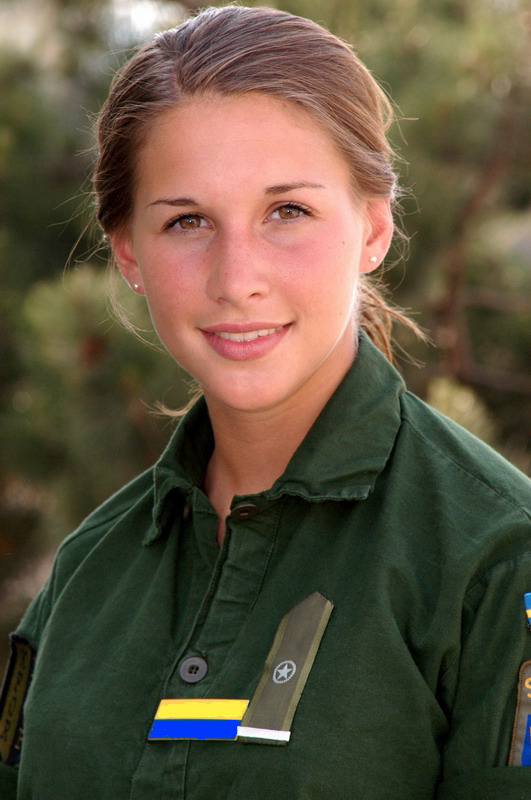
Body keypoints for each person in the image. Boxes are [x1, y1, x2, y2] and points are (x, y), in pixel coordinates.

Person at [0, 5, 530, 798]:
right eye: (186, 221)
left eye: (287, 211)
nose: (235, 277)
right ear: (128, 254)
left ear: (373, 228)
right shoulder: (85, 574)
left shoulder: (496, 560)